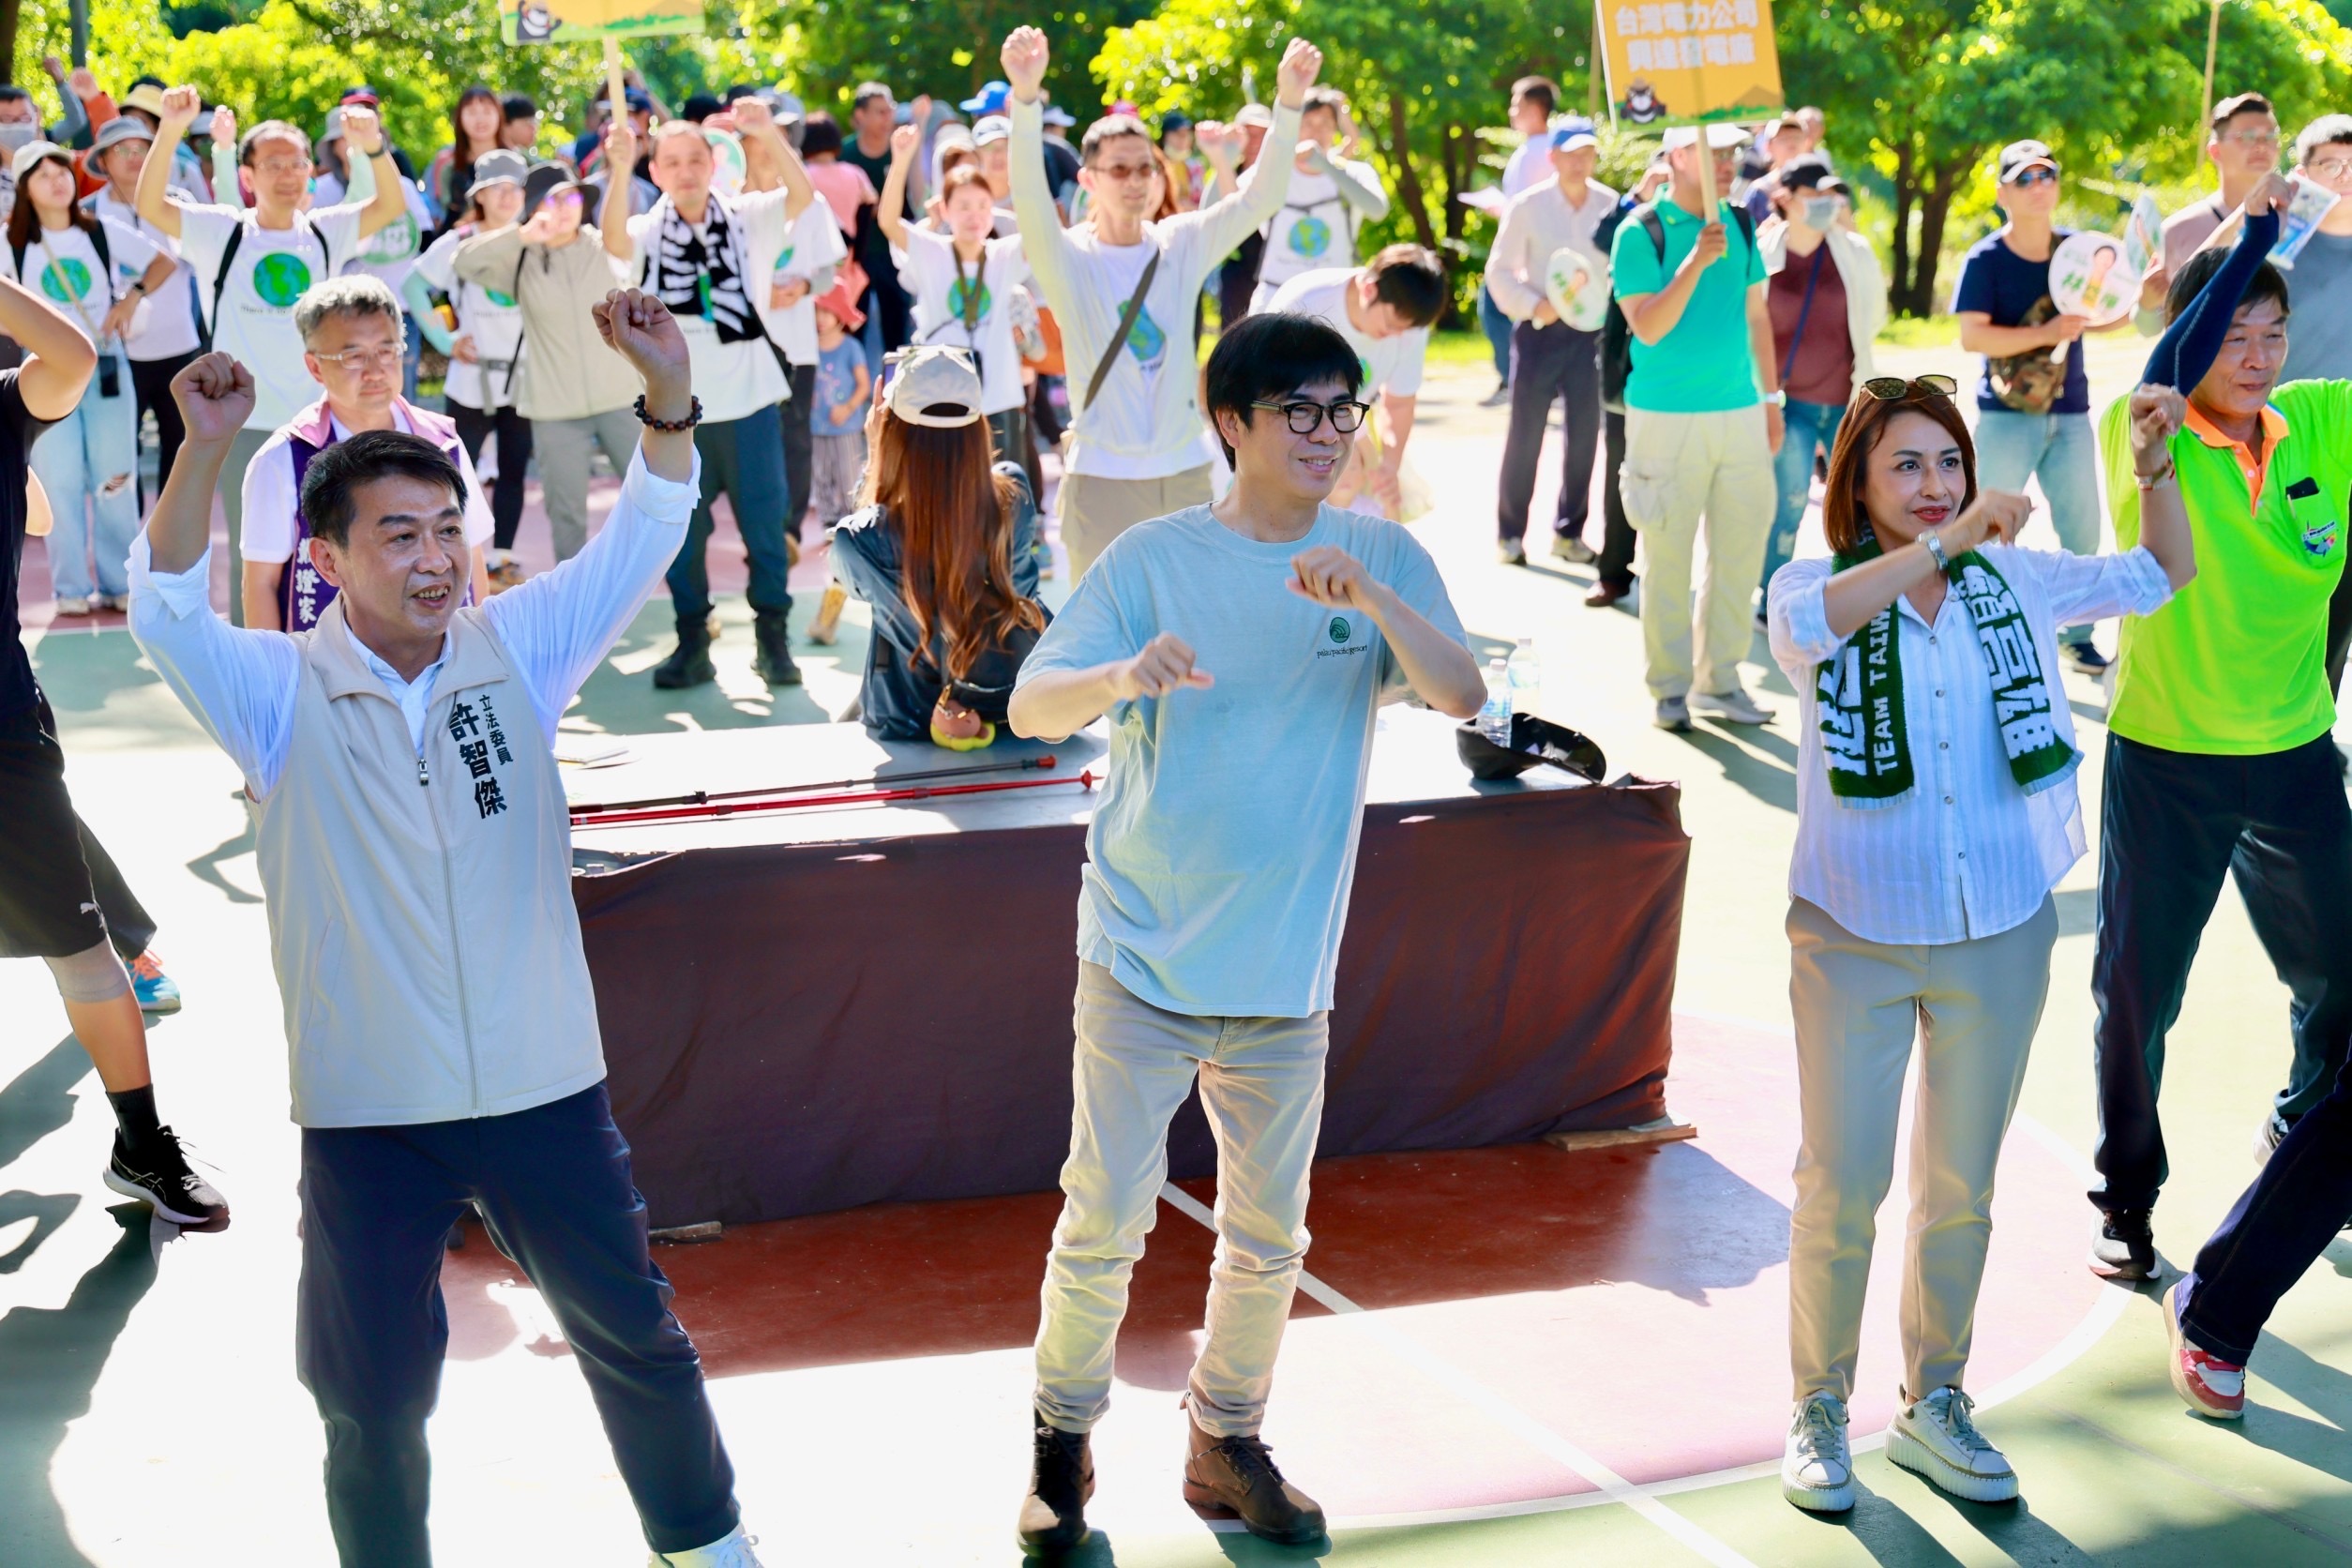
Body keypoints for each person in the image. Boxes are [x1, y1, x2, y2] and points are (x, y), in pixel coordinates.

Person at [130, 294, 762, 1568]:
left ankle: (711, 1549)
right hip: (372, 1116)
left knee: (636, 1339)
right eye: (399, 536)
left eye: (448, 531)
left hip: (545, 1093)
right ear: (327, 556)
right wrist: (200, 451)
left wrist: (670, 390)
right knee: (368, 1399)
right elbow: (163, 610)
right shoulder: (276, 692)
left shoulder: (517, 649)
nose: (435, 561)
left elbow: (646, 525)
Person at [1005, 309, 1482, 1554]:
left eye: (1342, 410)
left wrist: (1369, 593)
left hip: (1286, 970)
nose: (1326, 434)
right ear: (1232, 425)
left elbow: (1464, 691)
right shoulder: (1156, 560)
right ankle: (1062, 1449)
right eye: (1297, 412)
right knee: (1104, 1214)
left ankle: (1229, 1441)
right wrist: (1120, 677)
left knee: (1270, 1240)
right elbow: (1032, 698)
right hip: (1143, 952)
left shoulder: (1379, 554)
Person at [1766, 374, 2193, 1515]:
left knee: (1959, 1189)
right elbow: (1810, 626)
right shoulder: (1814, 586)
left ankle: (1934, 1400)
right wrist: (1945, 541)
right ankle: (1818, 1406)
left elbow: (2158, 573)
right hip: (1853, 930)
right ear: (1855, 481)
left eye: (1947, 462)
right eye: (1904, 464)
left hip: (1998, 927)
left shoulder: (2014, 578)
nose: (1933, 483)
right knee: (1839, 1184)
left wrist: (2156, 466)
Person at [2086, 186, 2352, 1284]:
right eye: (2234, 332)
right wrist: (2248, 240)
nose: (2256, 353)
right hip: (2168, 760)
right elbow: (2168, 361)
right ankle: (2127, 1197)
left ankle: (2301, 1133)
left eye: (2273, 332)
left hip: (2294, 756)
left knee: (2343, 979)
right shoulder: (2143, 428)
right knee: (2140, 997)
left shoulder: (2324, 424)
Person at [0, 268, 219, 1226]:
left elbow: (75, 358)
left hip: (1, 726)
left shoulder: (8, 411)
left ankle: (143, 1143)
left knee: (84, 949)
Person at [1004, 26, 1322, 580]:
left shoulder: (1180, 242)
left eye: (1144, 168)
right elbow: (1030, 197)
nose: (1134, 181)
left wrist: (1288, 104)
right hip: (1101, 479)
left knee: (1194, 631)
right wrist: (1026, 100)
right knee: (1105, 644)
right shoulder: (1067, 259)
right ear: (1089, 180)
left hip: (1184, 474)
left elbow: (1262, 198)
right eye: (1119, 170)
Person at [134, 84, 409, 625]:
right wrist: (168, 128)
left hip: (326, 423)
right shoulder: (224, 233)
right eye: (274, 163)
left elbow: (391, 206)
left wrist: (373, 148)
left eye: (298, 162)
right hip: (250, 424)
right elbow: (150, 205)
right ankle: (263, 664)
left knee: (341, 544)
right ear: (248, 175)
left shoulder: (327, 231)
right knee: (257, 553)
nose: (289, 173)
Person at [600, 97, 816, 690]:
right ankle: (692, 640)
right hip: (678, 414)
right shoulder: (648, 230)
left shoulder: (746, 217)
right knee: (680, 538)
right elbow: (613, 239)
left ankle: (773, 638)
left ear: (713, 163)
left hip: (748, 405)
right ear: (657, 171)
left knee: (766, 533)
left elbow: (802, 198)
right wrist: (619, 168)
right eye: (672, 162)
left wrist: (767, 133)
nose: (687, 170)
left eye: (696, 158)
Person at [1612, 121, 1783, 732]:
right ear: (1679, 156)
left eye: (1734, 151)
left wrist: (1771, 399)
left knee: (1739, 554)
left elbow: (1758, 316)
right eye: (1715, 152)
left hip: (1739, 411)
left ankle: (1722, 681)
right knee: (1668, 556)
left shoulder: (1739, 223)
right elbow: (1649, 327)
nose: (1729, 162)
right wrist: (1692, 262)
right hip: (1664, 419)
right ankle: (1669, 687)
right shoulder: (1640, 232)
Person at [239, 275, 491, 631]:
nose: (375, 371)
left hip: (440, 665)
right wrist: (273, 681)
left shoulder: (443, 443)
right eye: (353, 355)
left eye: (387, 350)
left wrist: (480, 649)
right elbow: (260, 582)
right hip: (327, 674)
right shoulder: (285, 458)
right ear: (315, 367)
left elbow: (473, 553)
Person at [1951, 140, 2118, 673]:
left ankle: (2079, 634)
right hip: (2005, 416)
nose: (2038, 186)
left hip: (2069, 412)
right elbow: (1973, 338)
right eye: (2024, 178)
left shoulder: (2079, 253)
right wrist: (2045, 332)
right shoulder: (1985, 259)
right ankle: (1969, 622)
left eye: (2047, 175)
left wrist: (2142, 295)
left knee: (2083, 530)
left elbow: (2104, 315)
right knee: (1982, 526)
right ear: (2002, 192)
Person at [830, 345, 1043, 746]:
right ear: (979, 425)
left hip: (906, 724)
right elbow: (1021, 592)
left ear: (890, 428)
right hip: (1011, 710)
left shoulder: (859, 542)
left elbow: (868, 533)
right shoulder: (1014, 498)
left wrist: (876, 457)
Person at [4, 138, 175, 615]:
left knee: (114, 474)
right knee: (57, 480)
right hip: (42, 375)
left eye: (62, 170)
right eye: (44, 174)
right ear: (24, 188)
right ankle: (71, 590)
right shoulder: (10, 242)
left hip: (106, 368)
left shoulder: (100, 231)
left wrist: (131, 297)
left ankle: (120, 583)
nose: (58, 180)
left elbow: (164, 260)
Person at [456, 179, 644, 565]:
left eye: (572, 197)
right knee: (566, 517)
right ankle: (574, 612)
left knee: (650, 498)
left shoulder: (604, 244)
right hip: (554, 410)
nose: (564, 208)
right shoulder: (521, 257)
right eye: (553, 199)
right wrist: (522, 234)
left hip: (620, 398)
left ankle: (679, 598)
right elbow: (463, 261)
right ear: (536, 206)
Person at [1756, 155, 1886, 616]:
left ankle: (1866, 591)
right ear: (1786, 199)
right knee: (1788, 503)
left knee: (1861, 504)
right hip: (1788, 404)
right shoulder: (1763, 251)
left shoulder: (1854, 251)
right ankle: (1771, 596)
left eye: (1831, 195)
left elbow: (1875, 318)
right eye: (1814, 195)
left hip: (1847, 402)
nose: (1825, 204)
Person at [1485, 120, 1617, 565]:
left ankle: (1569, 534)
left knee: (1584, 439)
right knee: (1526, 436)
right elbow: (1499, 271)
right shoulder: (1528, 205)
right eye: (1571, 153)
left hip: (1590, 338)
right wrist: (1534, 306)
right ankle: (1509, 534)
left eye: (1588, 154)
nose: (1580, 162)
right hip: (1540, 333)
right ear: (1553, 157)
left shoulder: (1609, 204)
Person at [877, 124, 1033, 484]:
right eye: (963, 206)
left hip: (998, 395)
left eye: (982, 205)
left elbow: (1040, 231)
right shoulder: (931, 251)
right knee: (945, 486)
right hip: (941, 394)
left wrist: (1019, 161)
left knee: (1002, 488)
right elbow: (888, 221)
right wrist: (901, 160)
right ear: (944, 210)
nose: (974, 215)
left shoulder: (1003, 254)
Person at [409, 150, 532, 588]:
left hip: (524, 379)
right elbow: (413, 286)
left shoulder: (534, 240)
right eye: (497, 189)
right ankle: (453, 554)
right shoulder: (459, 241)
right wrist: (446, 341)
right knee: (455, 473)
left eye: (515, 189)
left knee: (515, 470)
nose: (507, 198)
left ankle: (502, 557)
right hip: (470, 377)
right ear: (480, 195)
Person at [1271, 244, 1443, 520]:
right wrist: (1362, 445)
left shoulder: (1409, 324)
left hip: (1350, 434)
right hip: (1287, 427)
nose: (1398, 337)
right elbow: (1275, 393)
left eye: (1407, 329)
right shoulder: (1307, 303)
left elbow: (1399, 403)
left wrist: (1389, 466)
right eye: (1392, 324)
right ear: (1368, 290)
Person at [84, 114, 203, 502]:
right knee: (120, 453)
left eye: (143, 149)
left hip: (178, 347)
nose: (135, 158)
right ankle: (126, 544)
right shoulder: (85, 213)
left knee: (180, 450)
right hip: (116, 353)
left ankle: (170, 543)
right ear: (102, 161)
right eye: (123, 150)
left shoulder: (181, 204)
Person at [2137, 92, 2280, 329]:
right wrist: (2147, 304)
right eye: (2247, 136)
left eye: (2270, 136)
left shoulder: (2298, 221)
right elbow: (2147, 329)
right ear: (2215, 151)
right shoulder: (2176, 231)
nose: (2262, 146)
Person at [1243, 87, 1387, 312]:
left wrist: (1327, 166)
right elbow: (1222, 207)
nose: (1316, 131)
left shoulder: (1354, 173)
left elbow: (1378, 210)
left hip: (1333, 302)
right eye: (1308, 122)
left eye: (1326, 124)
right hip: (1274, 298)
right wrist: (1223, 159)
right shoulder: (1271, 172)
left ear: (1335, 129)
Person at [1477, 75, 1560, 406]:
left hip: (1521, 253)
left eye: (1518, 104)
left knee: (1494, 310)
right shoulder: (1548, 147)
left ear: (1537, 109)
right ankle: (1529, 381)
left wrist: (1501, 209)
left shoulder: (1534, 153)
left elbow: (1525, 207)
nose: (1511, 111)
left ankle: (1514, 380)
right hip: (1536, 250)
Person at [841, 82, 914, 356]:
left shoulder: (902, 149)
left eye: (890, 110)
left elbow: (915, 200)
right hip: (855, 256)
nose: (888, 118)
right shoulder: (844, 154)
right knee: (852, 326)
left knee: (897, 333)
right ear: (860, 116)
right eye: (879, 111)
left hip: (893, 253)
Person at [806, 284, 870, 531]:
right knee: (820, 475)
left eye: (827, 311)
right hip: (816, 425)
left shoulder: (850, 347)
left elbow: (864, 385)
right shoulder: (808, 346)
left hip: (846, 426)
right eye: (817, 311)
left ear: (840, 313)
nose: (820, 318)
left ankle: (853, 520)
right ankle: (829, 521)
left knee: (848, 474)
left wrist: (848, 408)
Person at [1210, 104, 1273, 327]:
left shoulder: (1282, 178)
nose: (1255, 141)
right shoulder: (1225, 172)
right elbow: (1208, 211)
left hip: (1274, 272)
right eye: (1249, 134)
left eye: (1261, 134)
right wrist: (1223, 155)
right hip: (1237, 274)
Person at [425, 84, 503, 231]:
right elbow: (445, 218)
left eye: (487, 111)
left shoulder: (517, 161)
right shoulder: (449, 167)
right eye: (472, 112)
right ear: (460, 118)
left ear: (499, 115)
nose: (480, 119)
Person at [499, 93, 539, 157]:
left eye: (534, 123)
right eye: (527, 122)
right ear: (505, 124)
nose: (534, 128)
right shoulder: (499, 158)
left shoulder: (517, 155)